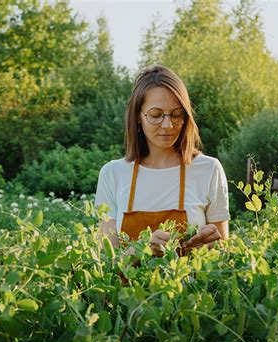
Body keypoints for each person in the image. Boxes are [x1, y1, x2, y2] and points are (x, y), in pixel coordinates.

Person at [94, 65, 229, 258]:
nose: (168, 125)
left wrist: (211, 247)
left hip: (190, 288)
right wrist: (142, 250)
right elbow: (107, 265)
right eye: (156, 115)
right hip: (128, 289)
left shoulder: (208, 169)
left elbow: (224, 258)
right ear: (138, 117)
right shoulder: (113, 174)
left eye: (176, 114)